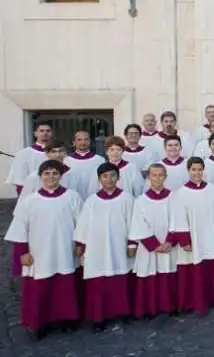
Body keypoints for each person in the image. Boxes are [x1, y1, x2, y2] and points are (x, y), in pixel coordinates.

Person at [4, 160, 83, 340]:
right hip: (38, 252)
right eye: (46, 174)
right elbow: (20, 228)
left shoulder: (72, 197)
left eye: (55, 173)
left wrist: (80, 245)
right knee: (40, 288)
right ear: (40, 177)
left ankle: (67, 319)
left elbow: (82, 224)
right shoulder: (30, 201)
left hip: (65, 249)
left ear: (61, 176)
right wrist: (23, 252)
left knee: (65, 286)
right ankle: (39, 322)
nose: (51, 177)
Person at [74, 162, 136, 332]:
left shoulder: (127, 198)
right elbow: (83, 224)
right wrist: (81, 243)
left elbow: (133, 222)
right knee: (98, 282)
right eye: (105, 176)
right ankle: (98, 316)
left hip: (119, 245)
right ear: (99, 179)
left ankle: (123, 312)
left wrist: (132, 243)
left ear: (118, 177)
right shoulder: (92, 201)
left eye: (113, 175)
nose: (109, 179)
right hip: (97, 248)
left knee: (120, 278)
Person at [169, 157, 214, 315]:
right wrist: (185, 240)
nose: (197, 173)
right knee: (192, 269)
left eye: (200, 169)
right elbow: (178, 217)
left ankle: (212, 298)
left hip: (208, 235)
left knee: (210, 266)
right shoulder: (181, 193)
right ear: (188, 171)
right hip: (191, 238)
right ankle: (191, 301)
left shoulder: (212, 189)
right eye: (193, 170)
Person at [129, 163, 178, 319]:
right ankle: (149, 308)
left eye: (161, 175)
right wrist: (154, 245)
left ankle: (169, 306)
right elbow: (138, 223)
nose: (157, 178)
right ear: (148, 177)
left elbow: (178, 219)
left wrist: (170, 241)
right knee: (149, 273)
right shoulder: (140, 201)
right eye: (154, 175)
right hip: (149, 246)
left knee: (168, 272)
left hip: (168, 243)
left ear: (166, 177)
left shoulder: (174, 197)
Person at [6, 122, 52, 197]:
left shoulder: (58, 153)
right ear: (35, 133)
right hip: (32, 195)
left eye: (48, 131)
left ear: (51, 133)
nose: (45, 133)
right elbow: (19, 180)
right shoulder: (23, 154)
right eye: (41, 131)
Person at [63, 130, 105, 197]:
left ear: (89, 141)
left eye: (86, 139)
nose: (83, 142)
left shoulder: (100, 160)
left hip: (94, 197)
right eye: (79, 140)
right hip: (73, 197)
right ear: (74, 142)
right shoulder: (66, 161)